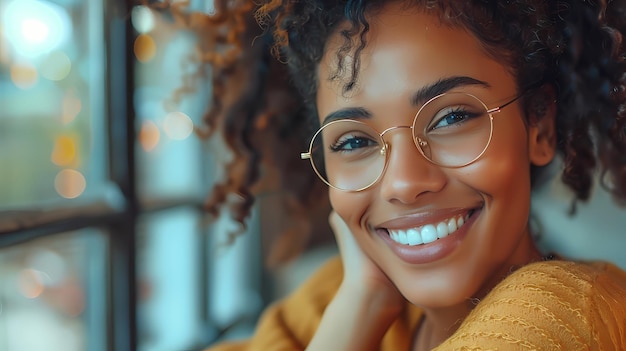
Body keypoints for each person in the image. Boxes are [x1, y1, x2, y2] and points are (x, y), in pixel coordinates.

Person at [169, 0, 626, 349]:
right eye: (354, 142)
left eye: (451, 118)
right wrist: (361, 303)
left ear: (539, 124)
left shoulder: (560, 315)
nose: (405, 183)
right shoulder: (345, 293)